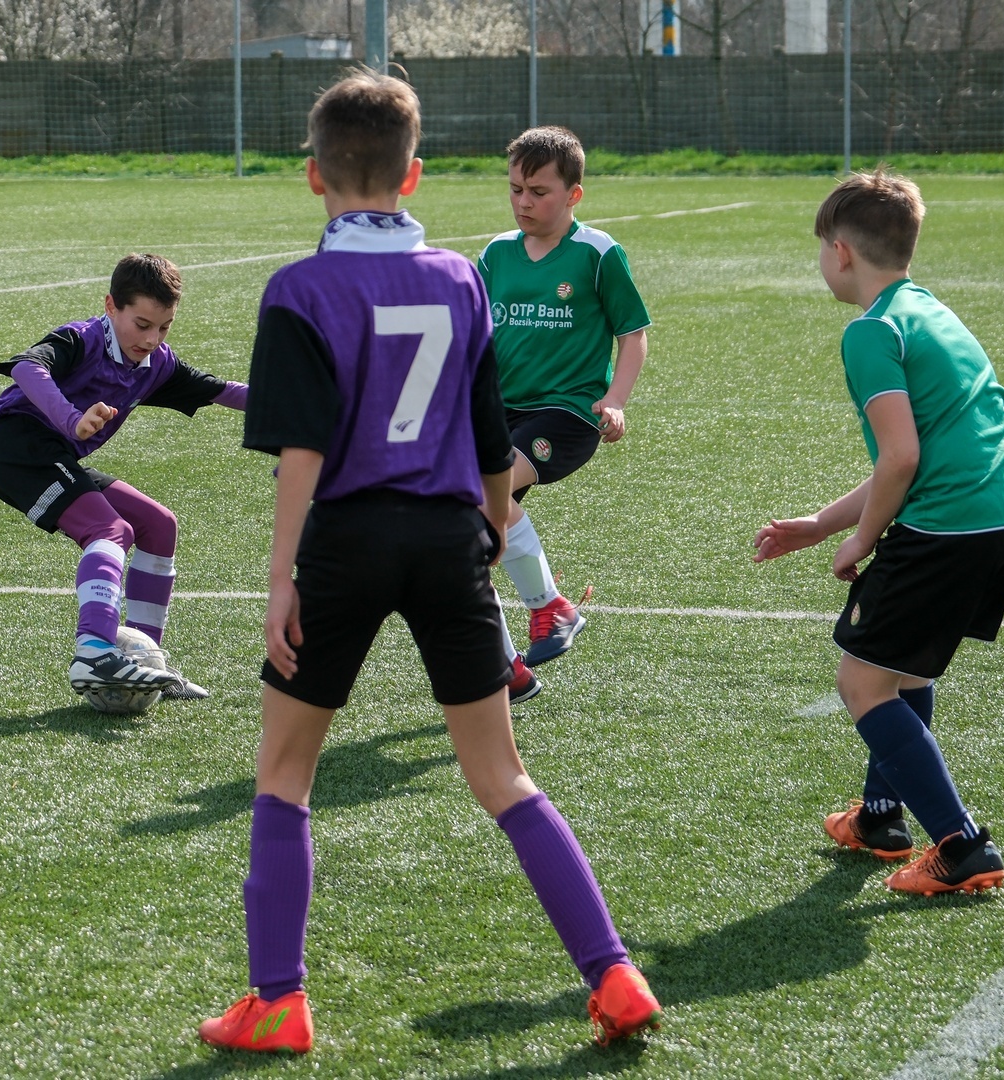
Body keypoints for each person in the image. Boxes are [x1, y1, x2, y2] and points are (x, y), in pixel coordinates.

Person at [198, 72, 661, 1055]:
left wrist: (280, 578)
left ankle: (277, 1001)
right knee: (503, 775)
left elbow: (302, 453)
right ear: (413, 174)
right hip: (450, 537)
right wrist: (491, 526)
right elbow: (490, 430)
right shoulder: (461, 276)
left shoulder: (299, 289)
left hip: (346, 541)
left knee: (284, 774)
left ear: (312, 175)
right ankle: (614, 974)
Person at [754, 169, 1004, 896]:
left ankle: (963, 845)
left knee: (860, 681)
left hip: (951, 526)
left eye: (822, 247)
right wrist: (821, 524)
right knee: (903, 670)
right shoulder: (930, 311)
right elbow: (923, 453)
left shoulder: (871, 332)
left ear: (842, 251)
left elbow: (902, 458)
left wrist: (860, 540)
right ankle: (881, 818)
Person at [0, 253, 246, 700]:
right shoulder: (81, 339)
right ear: (110, 306)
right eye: (142, 324)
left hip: (56, 457)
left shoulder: (156, 363)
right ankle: (95, 651)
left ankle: (145, 659)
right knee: (110, 530)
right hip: (18, 450)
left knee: (159, 524)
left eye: (164, 327)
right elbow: (27, 367)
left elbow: (224, 391)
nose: (152, 338)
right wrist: (72, 420)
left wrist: (306, 406)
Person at [476, 127, 649, 666]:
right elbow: (474, 335)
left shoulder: (597, 252)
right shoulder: (497, 253)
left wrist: (615, 399)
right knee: (470, 523)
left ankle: (549, 608)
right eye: (515, 189)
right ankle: (512, 660)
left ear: (574, 194)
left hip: (568, 412)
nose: (523, 202)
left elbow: (633, 334)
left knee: (484, 489)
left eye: (538, 192)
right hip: (500, 411)